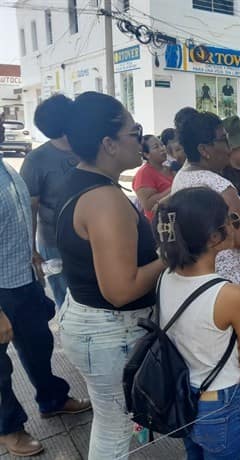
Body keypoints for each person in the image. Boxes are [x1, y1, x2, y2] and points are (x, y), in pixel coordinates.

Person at [55, 92, 165, 460]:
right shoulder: (105, 200)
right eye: (135, 132)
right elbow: (120, 289)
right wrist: (170, 255)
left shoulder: (82, 180)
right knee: (114, 427)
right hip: (109, 331)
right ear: (108, 143)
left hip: (90, 322)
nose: (142, 140)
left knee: (109, 421)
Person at [155, 187, 240, 460]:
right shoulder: (229, 294)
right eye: (232, 220)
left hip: (183, 396)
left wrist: (231, 349)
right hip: (219, 402)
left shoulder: (165, 277)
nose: (235, 224)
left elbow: (198, 328)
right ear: (215, 237)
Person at [0, 112, 90, 458]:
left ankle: (52, 399)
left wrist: (33, 256)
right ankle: (8, 429)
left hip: (23, 277)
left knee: (38, 345)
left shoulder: (7, 167)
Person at [172, 110, 240, 288]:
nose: (229, 148)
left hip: (196, 278)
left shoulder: (182, 176)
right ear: (204, 149)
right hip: (227, 282)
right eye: (223, 140)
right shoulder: (220, 186)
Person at [20, 94, 78, 308]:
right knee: (67, 303)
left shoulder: (88, 148)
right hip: (55, 244)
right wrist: (31, 251)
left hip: (91, 238)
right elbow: (29, 209)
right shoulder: (36, 160)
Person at [132, 134, 174, 221]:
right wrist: (175, 187)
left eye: (162, 145)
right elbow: (148, 205)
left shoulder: (169, 168)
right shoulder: (144, 173)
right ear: (146, 154)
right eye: (156, 147)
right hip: (161, 226)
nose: (162, 149)